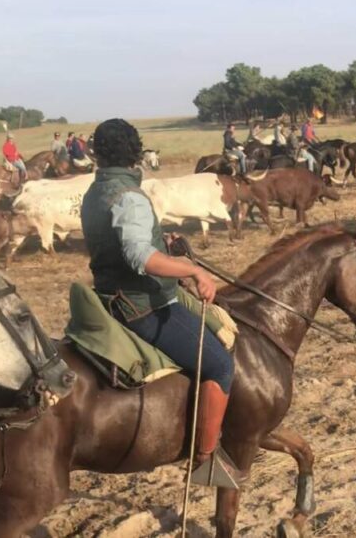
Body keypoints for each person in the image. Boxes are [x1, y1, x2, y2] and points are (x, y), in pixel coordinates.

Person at [80, 118, 239, 488]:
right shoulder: (130, 197)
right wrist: (191, 270)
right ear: (137, 153)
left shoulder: (95, 192)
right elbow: (138, 257)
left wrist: (161, 243)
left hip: (106, 295)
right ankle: (205, 458)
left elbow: (121, 244)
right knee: (219, 366)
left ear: (95, 153)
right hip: (142, 305)